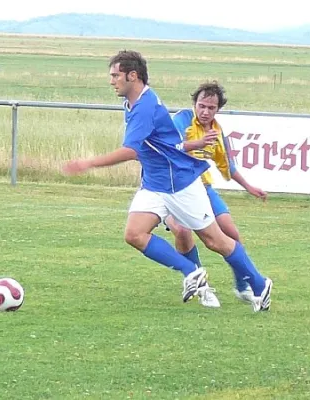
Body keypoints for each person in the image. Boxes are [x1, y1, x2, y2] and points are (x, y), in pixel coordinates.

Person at [63, 50, 272, 312]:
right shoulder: (134, 102)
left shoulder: (145, 107)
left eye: (116, 75)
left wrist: (88, 163)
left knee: (215, 240)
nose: (111, 81)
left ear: (132, 75)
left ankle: (258, 283)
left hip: (178, 183)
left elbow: (132, 150)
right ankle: (191, 271)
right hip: (155, 182)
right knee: (134, 234)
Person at [165, 81, 267, 304]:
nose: (205, 111)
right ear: (194, 104)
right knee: (182, 232)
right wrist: (198, 143)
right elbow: (171, 148)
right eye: (201, 106)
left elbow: (227, 165)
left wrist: (249, 187)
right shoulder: (181, 120)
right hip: (173, 187)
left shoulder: (218, 132)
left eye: (211, 108)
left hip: (203, 187)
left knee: (232, 235)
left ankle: (242, 286)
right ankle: (202, 288)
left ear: (218, 109)